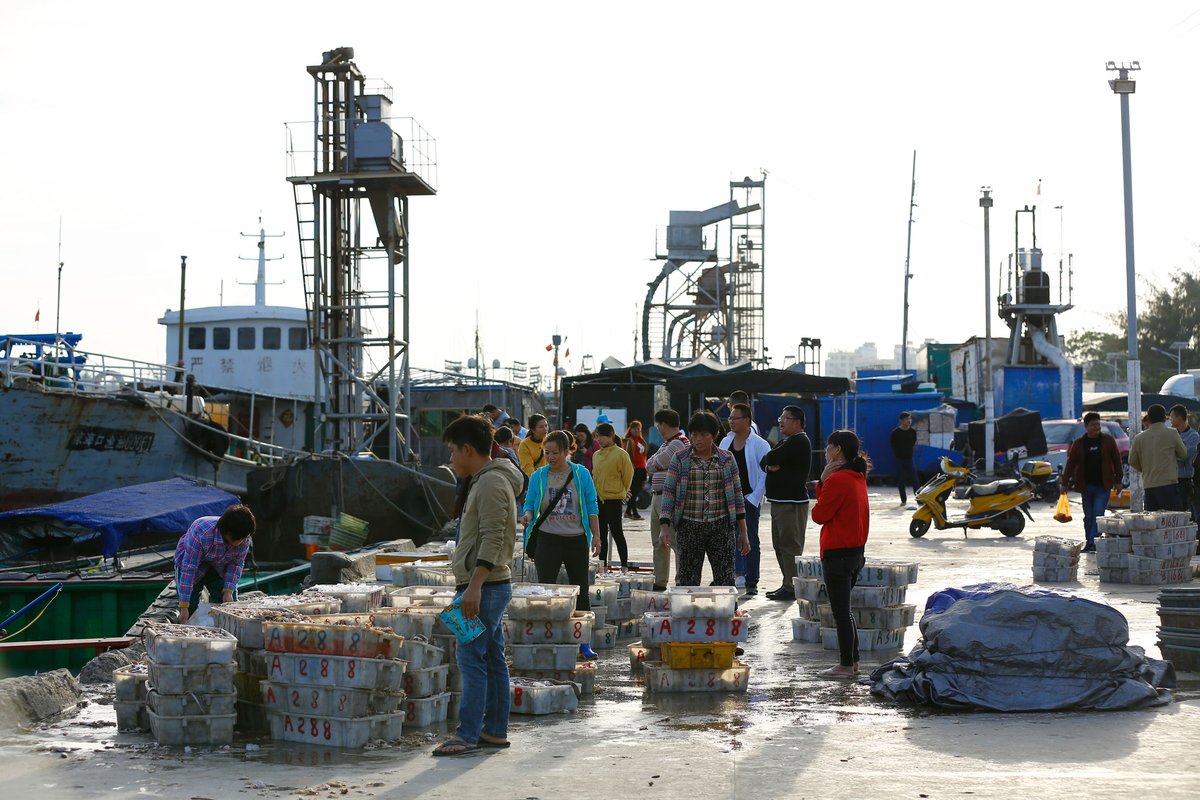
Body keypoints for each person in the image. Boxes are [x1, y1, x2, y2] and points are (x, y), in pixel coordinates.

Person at [434, 414, 523, 756]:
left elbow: (494, 536)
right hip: (485, 585)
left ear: (468, 449)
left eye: (453, 451)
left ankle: (467, 734)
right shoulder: (489, 479)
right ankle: (494, 731)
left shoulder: (489, 483)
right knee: (491, 658)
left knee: (470, 657)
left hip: (482, 587)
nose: (451, 458)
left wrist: (473, 586)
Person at [520, 430, 601, 659]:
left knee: (581, 591)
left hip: (576, 539)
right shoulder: (538, 476)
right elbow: (530, 503)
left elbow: (592, 506)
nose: (551, 457)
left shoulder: (581, 474)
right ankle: (548, 639)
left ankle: (584, 642)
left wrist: (596, 536)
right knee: (546, 591)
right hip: (547, 538)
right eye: (547, 452)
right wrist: (527, 516)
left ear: (567, 451)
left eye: (555, 452)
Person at [658, 410, 750, 587]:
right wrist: (664, 527)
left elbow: (737, 496)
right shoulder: (680, 458)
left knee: (725, 580)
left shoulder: (726, 459)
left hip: (721, 527)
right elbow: (668, 493)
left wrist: (743, 532)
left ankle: (726, 613)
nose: (698, 439)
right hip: (689, 526)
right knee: (688, 582)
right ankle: (688, 614)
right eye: (694, 434)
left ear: (714, 435)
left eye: (704, 434)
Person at [810, 430, 870, 678]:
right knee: (845, 611)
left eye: (828, 446)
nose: (826, 451)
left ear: (837, 450)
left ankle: (846, 664)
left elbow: (819, 515)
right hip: (855, 554)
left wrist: (822, 482)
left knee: (841, 613)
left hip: (838, 555)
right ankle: (852, 661)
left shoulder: (839, 479)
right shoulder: (857, 476)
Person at [761, 405, 812, 601]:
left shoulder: (799, 441)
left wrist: (770, 461)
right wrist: (769, 463)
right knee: (779, 545)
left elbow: (771, 456)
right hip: (779, 501)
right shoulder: (786, 441)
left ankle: (792, 587)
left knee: (790, 545)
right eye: (781, 417)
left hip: (791, 503)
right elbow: (764, 460)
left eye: (786, 418)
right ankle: (787, 583)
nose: (781, 421)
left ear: (798, 422)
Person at [720, 402, 770, 596]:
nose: (731, 421)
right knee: (727, 541)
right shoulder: (725, 442)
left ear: (747, 420)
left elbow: (764, 473)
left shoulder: (759, 444)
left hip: (748, 499)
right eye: (730, 418)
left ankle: (752, 580)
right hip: (727, 500)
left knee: (750, 540)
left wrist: (754, 497)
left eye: (735, 418)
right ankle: (730, 575)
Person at [175, 505, 256, 624]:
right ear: (228, 533)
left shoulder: (244, 537)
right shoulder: (202, 533)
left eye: (245, 538)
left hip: (220, 565)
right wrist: (184, 607)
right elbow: (189, 569)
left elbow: (236, 564)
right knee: (189, 609)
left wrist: (228, 591)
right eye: (241, 538)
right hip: (193, 564)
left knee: (229, 607)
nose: (244, 542)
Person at [1061, 411, 1124, 552]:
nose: (1096, 427)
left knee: (1098, 514)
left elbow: (1117, 461)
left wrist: (1118, 481)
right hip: (1086, 487)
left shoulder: (1108, 441)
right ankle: (1089, 541)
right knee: (1088, 516)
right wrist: (1064, 483)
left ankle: (1094, 541)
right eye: (1093, 425)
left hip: (1103, 486)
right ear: (1086, 426)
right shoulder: (1079, 443)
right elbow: (1070, 464)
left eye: (1098, 424)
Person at [645, 408, 690, 590]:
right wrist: (654, 465)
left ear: (664, 424)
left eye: (659, 425)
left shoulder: (678, 443)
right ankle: (660, 580)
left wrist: (655, 465)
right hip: (657, 497)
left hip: (670, 498)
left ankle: (681, 581)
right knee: (658, 542)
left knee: (674, 541)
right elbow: (649, 464)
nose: (658, 428)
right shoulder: (667, 444)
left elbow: (658, 463)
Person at [1129, 404, 1187, 512]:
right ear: (1165, 418)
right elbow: (1183, 454)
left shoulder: (1139, 438)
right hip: (1169, 485)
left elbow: (1131, 460)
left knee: (1153, 525)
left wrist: (1145, 468)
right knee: (1171, 523)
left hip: (1149, 486)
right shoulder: (1172, 433)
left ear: (1149, 419)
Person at [592, 422, 633, 568]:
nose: (599, 440)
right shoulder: (596, 455)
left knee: (617, 534)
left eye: (601, 436)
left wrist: (622, 492)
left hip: (614, 500)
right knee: (601, 535)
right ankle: (602, 565)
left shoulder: (621, 454)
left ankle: (624, 565)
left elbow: (628, 476)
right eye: (597, 437)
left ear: (610, 436)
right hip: (599, 500)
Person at [1169, 404, 1199, 522]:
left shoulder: (1193, 436)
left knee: (1191, 514)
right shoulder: (1172, 434)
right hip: (1173, 479)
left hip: (1187, 480)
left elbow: (1186, 456)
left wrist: (1173, 454)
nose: (1170, 420)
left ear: (1179, 418)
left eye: (1172, 417)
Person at [890, 412, 919, 507]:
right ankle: (903, 500)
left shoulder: (912, 432)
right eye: (906, 419)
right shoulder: (895, 433)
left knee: (915, 480)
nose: (909, 421)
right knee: (901, 480)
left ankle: (919, 499)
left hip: (909, 459)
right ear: (901, 421)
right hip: (899, 460)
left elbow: (913, 443)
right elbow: (893, 445)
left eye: (910, 419)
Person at [623, 420, 649, 519]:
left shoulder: (641, 441)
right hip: (634, 469)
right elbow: (626, 454)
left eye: (639, 429)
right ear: (631, 429)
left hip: (642, 468)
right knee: (633, 492)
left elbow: (643, 455)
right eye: (635, 428)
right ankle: (633, 513)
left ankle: (628, 512)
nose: (637, 430)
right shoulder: (629, 440)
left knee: (636, 491)